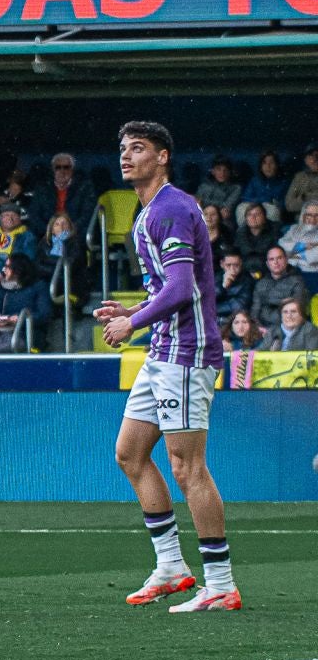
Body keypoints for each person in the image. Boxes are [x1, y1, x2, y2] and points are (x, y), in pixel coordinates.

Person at [97, 121, 238, 613]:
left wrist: (132, 321)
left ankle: (219, 583)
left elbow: (183, 290)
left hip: (187, 351)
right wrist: (131, 311)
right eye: (123, 149)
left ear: (162, 158)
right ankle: (173, 566)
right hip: (163, 350)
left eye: (138, 148)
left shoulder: (173, 208)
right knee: (130, 453)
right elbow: (171, 288)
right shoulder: (147, 212)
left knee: (187, 465)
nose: (126, 156)